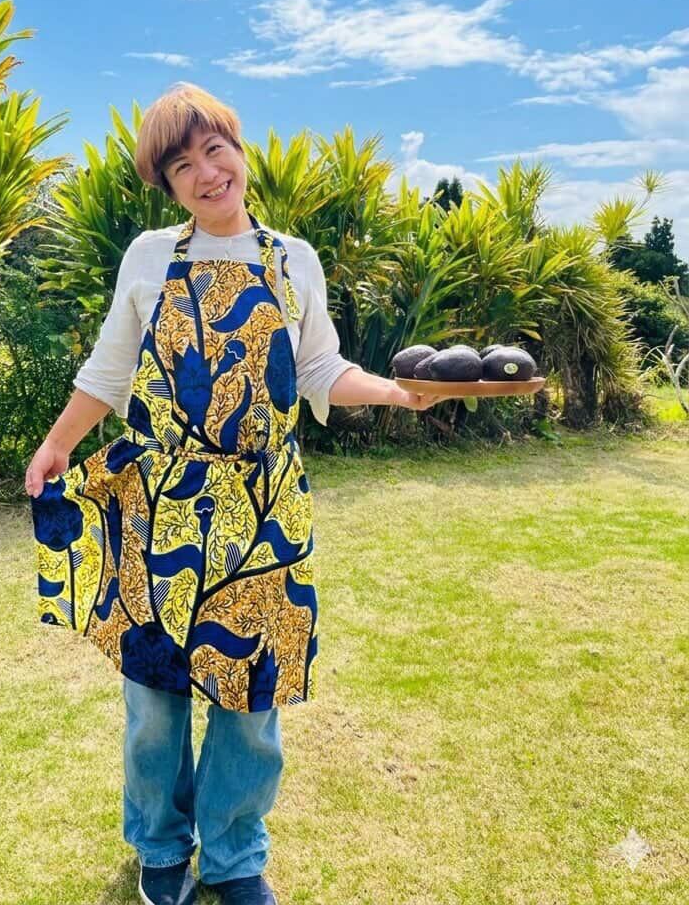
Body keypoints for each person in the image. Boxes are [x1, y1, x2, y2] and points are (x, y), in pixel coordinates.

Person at [26, 83, 438, 905]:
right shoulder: (150, 257)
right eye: (182, 166)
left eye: (214, 150)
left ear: (239, 152)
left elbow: (321, 369)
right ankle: (161, 846)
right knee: (155, 698)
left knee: (252, 697)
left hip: (264, 506)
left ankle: (236, 855)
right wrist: (57, 444)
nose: (206, 173)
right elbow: (109, 370)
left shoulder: (294, 260)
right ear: (169, 186)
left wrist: (396, 394)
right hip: (161, 502)